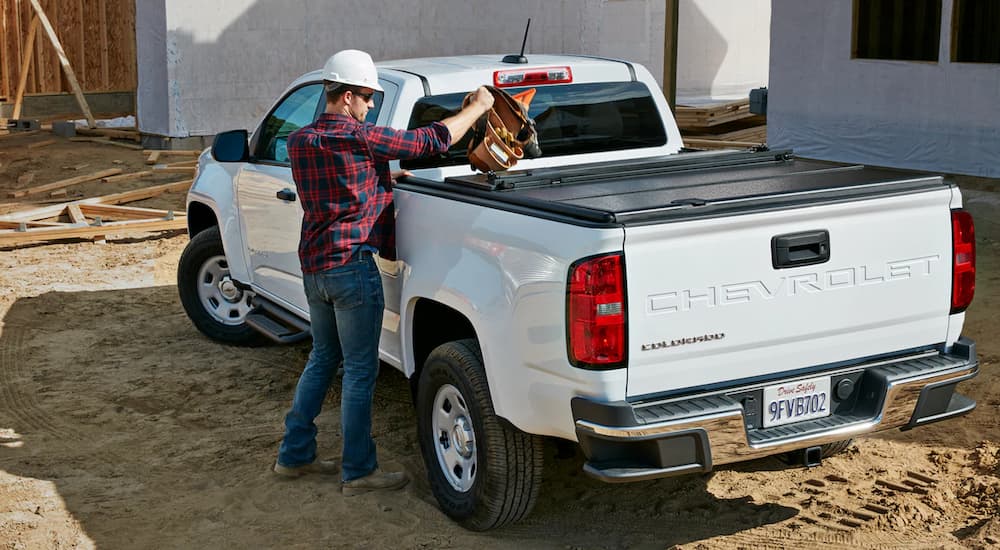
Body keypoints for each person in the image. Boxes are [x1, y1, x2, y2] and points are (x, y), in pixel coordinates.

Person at [273, 49, 494, 496]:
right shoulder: (358, 139)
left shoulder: (300, 142)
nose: (372, 106)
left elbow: (347, 178)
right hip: (353, 268)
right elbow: (429, 142)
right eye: (369, 98)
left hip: (315, 267)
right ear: (349, 96)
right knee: (359, 371)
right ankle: (358, 471)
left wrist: (380, 177)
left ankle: (294, 455)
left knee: (322, 359)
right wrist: (475, 109)